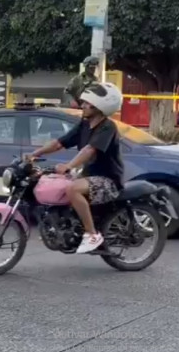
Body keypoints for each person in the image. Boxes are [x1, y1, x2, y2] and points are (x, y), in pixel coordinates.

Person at [26, 82, 124, 254]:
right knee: (55, 185)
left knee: (72, 189)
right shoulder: (84, 124)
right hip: (87, 176)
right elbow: (59, 143)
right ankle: (61, 226)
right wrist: (35, 154)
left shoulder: (107, 127)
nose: (83, 105)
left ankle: (92, 235)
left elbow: (90, 150)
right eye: (84, 102)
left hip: (108, 179)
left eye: (87, 103)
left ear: (100, 106)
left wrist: (69, 165)